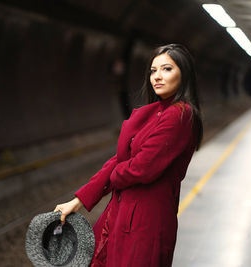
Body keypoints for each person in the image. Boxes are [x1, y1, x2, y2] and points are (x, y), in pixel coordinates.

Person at [54, 44, 203, 267]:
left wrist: (113, 176)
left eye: (167, 69)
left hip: (146, 224)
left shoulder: (180, 115)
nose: (157, 77)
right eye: (153, 71)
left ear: (184, 74)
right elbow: (120, 159)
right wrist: (78, 202)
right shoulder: (156, 113)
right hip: (123, 217)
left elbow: (141, 167)